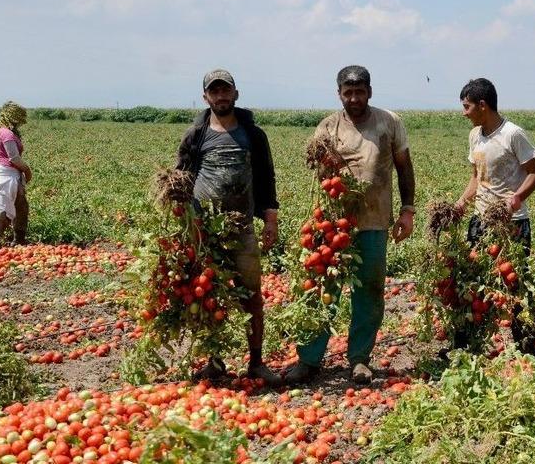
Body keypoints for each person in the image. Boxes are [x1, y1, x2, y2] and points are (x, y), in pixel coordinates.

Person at [285, 65, 416, 385]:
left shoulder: (389, 122)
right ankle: (309, 359)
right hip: (332, 225)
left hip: (374, 221)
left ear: (370, 91)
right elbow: (320, 175)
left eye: (360, 91)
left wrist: (407, 210)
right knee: (320, 290)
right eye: (348, 92)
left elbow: (404, 167)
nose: (354, 98)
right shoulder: (327, 127)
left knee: (369, 290)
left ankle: (360, 359)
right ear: (339, 93)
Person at [176, 69, 282, 386]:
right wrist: (181, 223)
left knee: (251, 295)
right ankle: (215, 361)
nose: (221, 96)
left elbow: (266, 178)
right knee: (207, 294)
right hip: (204, 230)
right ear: (205, 96)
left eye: (226, 90)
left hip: (242, 227)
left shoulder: (253, 134)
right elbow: (180, 181)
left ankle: (257, 362)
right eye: (214, 91)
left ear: (236, 94)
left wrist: (271, 218)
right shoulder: (195, 136)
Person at [454, 78, 535, 356]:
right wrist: (460, 203)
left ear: (483, 105)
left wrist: (516, 199)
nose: (464, 112)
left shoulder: (512, 134)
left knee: (514, 283)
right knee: (471, 282)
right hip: (480, 220)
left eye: (467, 107)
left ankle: (527, 344)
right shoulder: (475, 136)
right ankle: (467, 345)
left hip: (511, 224)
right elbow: (476, 178)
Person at [0, 101, 32, 250]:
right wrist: (27, 170)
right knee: (3, 206)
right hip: (6, 174)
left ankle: (19, 239)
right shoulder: (6, 133)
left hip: (3, 172)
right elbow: (13, 158)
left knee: (21, 206)